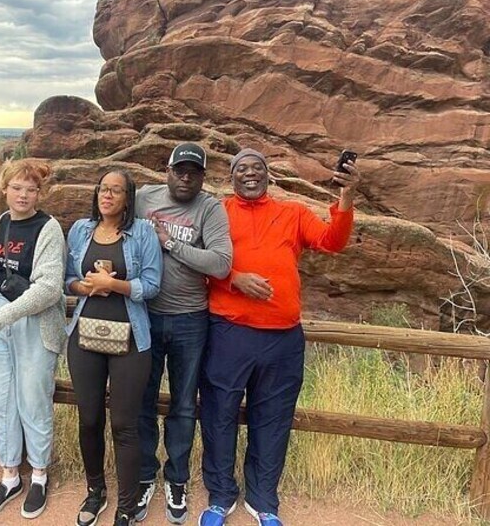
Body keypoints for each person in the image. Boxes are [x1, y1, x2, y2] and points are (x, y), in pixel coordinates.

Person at [197, 148, 360, 526]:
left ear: (268, 175)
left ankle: (263, 500)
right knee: (219, 414)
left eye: (257, 168)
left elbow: (332, 242)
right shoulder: (216, 212)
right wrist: (233, 279)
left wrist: (346, 198)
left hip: (283, 338)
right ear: (231, 176)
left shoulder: (293, 213)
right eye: (242, 168)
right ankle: (221, 496)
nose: (250, 173)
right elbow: (194, 263)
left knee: (272, 419)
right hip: (228, 331)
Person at [134, 142, 232, 524]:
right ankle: (145, 475)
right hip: (145, 315)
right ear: (168, 170)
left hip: (191, 319)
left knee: (184, 405)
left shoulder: (210, 208)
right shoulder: (144, 198)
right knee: (142, 399)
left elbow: (221, 264)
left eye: (194, 172)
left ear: (203, 176)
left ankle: (176, 479)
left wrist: (170, 243)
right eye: (180, 170)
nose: (186, 177)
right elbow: (108, 219)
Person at [66, 168, 163, 526]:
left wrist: (116, 285)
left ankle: (126, 506)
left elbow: (152, 284)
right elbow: (67, 281)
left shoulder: (143, 233)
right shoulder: (79, 230)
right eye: (103, 189)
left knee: (124, 424)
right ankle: (95, 492)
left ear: (128, 198)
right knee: (89, 418)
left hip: (131, 339)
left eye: (116, 190)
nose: (107, 195)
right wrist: (86, 287)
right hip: (85, 335)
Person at [0, 159, 67, 520]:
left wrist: (1, 316)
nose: (23, 195)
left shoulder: (48, 228)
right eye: (16, 187)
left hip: (33, 322)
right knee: (0, 399)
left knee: (33, 399)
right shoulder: (4, 221)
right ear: (5, 188)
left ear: (39, 193)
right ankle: (10, 472)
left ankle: (40, 474)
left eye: (30, 189)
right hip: (0, 318)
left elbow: (47, 289)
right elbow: (0, 270)